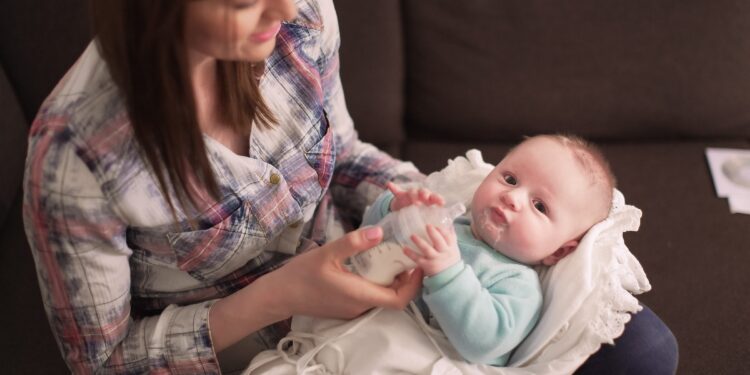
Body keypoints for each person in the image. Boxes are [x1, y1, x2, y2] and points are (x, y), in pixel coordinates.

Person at [22, 0, 677, 374]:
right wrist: (281, 292)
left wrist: (421, 199)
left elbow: (339, 154)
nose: (289, 7)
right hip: (244, 335)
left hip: (381, 305)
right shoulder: (77, 156)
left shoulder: (297, 18)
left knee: (646, 349)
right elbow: (104, 361)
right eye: (248, 0)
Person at [360, 134, 615, 366]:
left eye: (539, 206)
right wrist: (395, 212)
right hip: (364, 333)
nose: (512, 198)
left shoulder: (518, 284)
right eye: (510, 179)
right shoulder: (446, 223)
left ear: (558, 252)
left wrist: (449, 274)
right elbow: (364, 248)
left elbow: (483, 343)